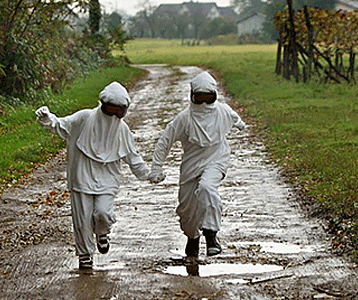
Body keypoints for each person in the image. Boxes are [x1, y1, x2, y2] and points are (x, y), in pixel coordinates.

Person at [36, 82, 150, 269]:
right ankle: (85, 255)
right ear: (102, 105)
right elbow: (61, 125)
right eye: (110, 110)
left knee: (103, 213)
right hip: (81, 176)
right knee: (82, 219)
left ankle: (102, 232)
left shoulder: (122, 130)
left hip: (108, 178)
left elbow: (133, 157)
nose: (114, 116)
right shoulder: (83, 119)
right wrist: (48, 118)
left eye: (119, 112)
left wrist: (147, 174)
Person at [148, 71, 245, 259]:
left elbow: (234, 118)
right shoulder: (184, 118)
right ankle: (192, 237)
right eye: (199, 98)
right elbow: (164, 142)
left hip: (216, 160)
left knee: (207, 188)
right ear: (192, 97)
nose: (203, 104)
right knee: (187, 210)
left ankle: (211, 235)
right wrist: (157, 168)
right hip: (191, 166)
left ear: (215, 97)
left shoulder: (222, 111)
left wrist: (240, 124)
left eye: (208, 99)